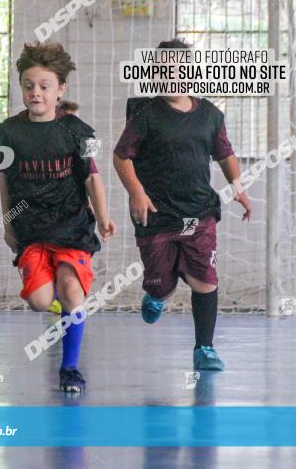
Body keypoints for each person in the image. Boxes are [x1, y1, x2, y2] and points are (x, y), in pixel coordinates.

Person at [112, 38, 251, 371]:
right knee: (162, 279)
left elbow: (225, 154)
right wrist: (136, 192)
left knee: (205, 278)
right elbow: (121, 156)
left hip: (200, 212)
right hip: (157, 215)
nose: (172, 76)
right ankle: (158, 294)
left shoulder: (210, 115)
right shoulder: (146, 115)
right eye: (163, 71)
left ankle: (205, 348)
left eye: (179, 69)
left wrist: (238, 188)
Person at [0, 41, 116, 393]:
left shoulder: (79, 131)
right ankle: (64, 303)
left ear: (61, 89)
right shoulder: (9, 132)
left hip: (73, 224)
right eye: (28, 86)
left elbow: (93, 176)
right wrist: (6, 223)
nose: (36, 93)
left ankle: (70, 368)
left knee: (71, 288)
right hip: (31, 228)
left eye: (44, 87)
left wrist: (103, 217)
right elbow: (3, 179)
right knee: (40, 301)